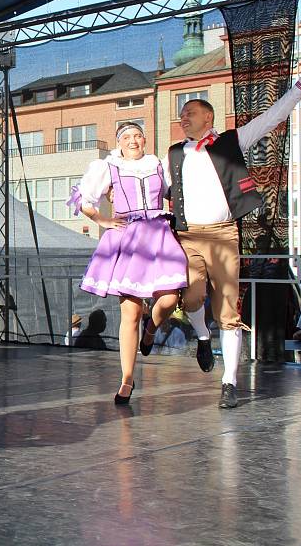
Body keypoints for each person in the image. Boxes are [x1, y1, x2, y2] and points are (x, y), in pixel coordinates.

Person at [165, 59, 301, 408]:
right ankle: (202, 336)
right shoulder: (173, 153)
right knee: (192, 300)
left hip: (223, 235)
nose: (183, 118)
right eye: (182, 113)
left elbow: (271, 118)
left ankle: (229, 382)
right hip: (187, 236)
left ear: (208, 119)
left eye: (190, 112)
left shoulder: (231, 141)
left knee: (229, 310)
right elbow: (165, 189)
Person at [69, 122, 187, 404]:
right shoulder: (108, 167)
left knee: (170, 298)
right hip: (129, 236)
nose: (133, 141)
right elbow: (84, 200)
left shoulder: (159, 164)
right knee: (130, 313)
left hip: (159, 234)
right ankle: (127, 379)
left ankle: (151, 331)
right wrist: (103, 220)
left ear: (145, 139)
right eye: (127, 137)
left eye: (137, 136)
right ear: (119, 142)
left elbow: (175, 194)